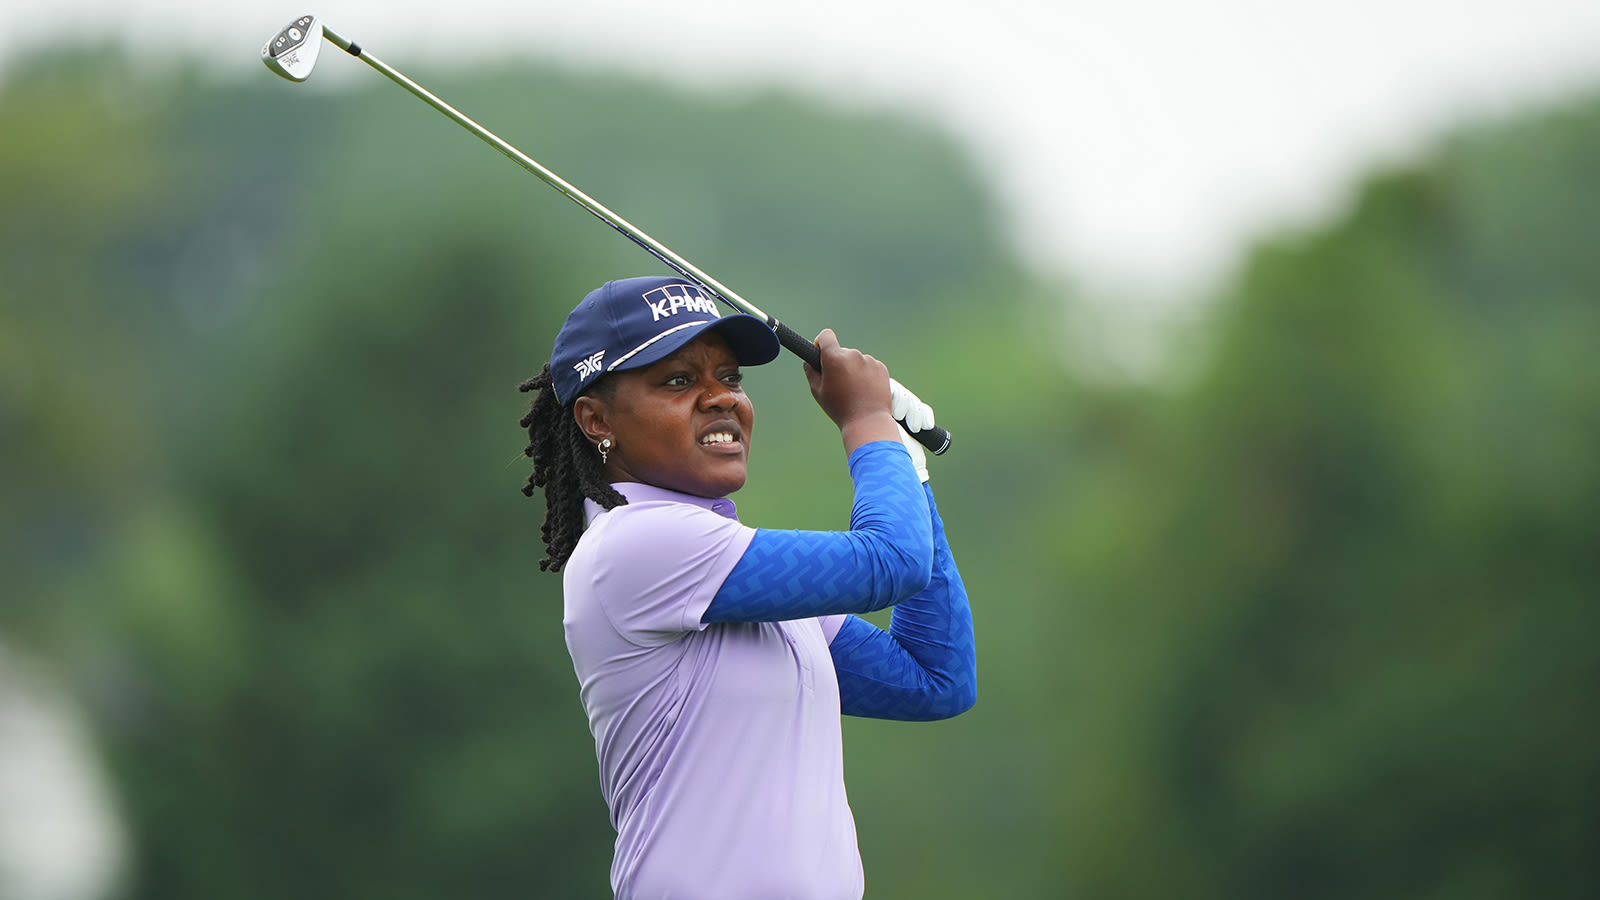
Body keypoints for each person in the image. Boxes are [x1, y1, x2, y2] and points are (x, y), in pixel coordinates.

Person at [517, 275, 976, 900]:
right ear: (598, 420)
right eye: (678, 380)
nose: (720, 398)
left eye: (730, 378)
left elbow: (935, 679)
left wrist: (908, 467)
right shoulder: (632, 546)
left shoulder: (736, 577)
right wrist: (868, 424)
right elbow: (892, 560)